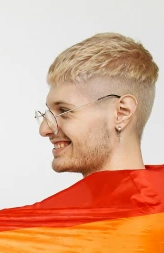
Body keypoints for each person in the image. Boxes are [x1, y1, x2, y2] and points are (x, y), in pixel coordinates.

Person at [35, 32, 157, 175]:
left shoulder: (137, 198)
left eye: (63, 111)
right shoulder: (157, 196)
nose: (44, 130)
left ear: (121, 113)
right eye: (48, 113)